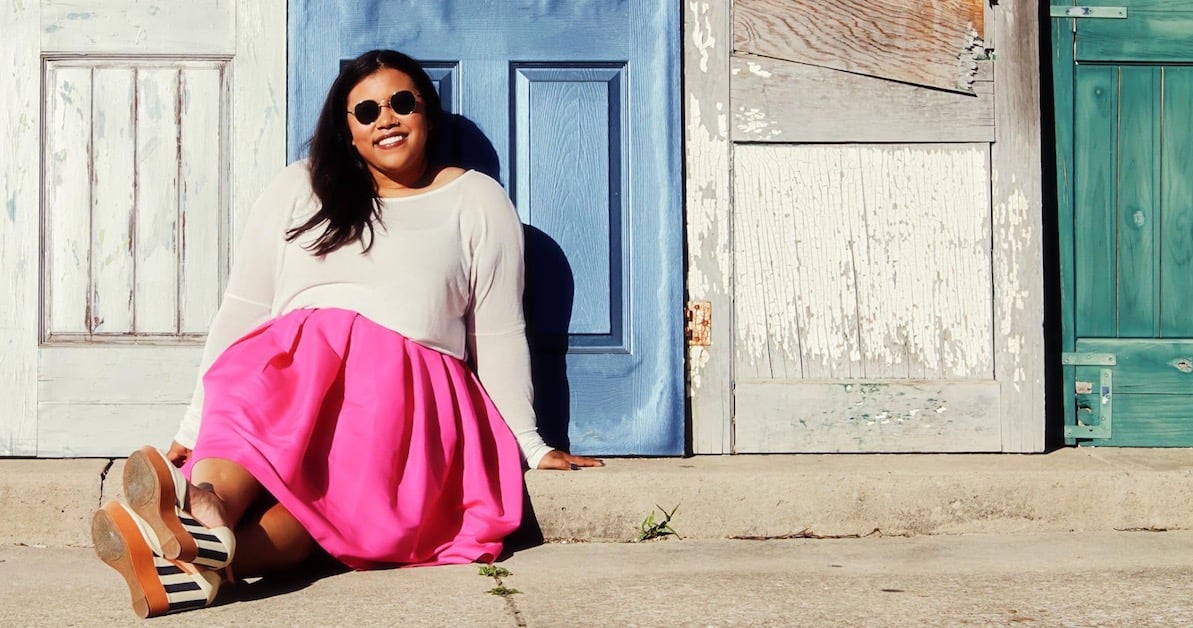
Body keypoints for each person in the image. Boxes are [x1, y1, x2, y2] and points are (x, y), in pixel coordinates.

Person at [90, 49, 603, 619]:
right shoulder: (298, 188)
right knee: (260, 374)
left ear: (427, 114)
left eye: (402, 103)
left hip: (400, 403)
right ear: (347, 129)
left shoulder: (476, 199)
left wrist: (531, 445)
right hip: (284, 383)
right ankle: (205, 518)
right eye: (367, 110)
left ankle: (184, 546)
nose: (387, 118)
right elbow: (244, 310)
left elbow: (500, 333)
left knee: (320, 515)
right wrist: (192, 422)